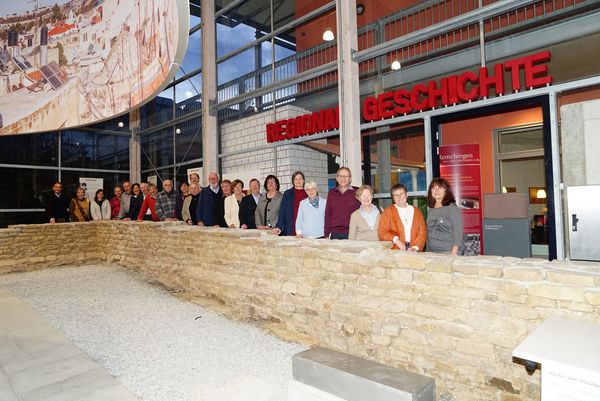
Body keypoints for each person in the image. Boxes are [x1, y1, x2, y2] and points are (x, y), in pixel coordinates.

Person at [378, 184, 427, 251]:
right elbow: (382, 232)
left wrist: (415, 247)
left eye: (401, 194)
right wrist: (396, 241)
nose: (399, 197)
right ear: (393, 198)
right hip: (394, 251)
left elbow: (422, 232)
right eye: (396, 195)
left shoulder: (417, 211)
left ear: (407, 195)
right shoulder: (387, 212)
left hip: (414, 252)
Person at [426, 177, 464, 255]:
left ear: (446, 191)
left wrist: (454, 252)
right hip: (432, 251)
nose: (436, 190)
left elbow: (458, 230)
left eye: (440, 188)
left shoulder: (452, 207)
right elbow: (429, 232)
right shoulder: (431, 209)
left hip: (448, 251)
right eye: (434, 188)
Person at [324, 167, 360, 239]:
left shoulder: (357, 192)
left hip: (353, 233)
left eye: (345, 176)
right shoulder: (331, 193)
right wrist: (326, 234)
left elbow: (362, 212)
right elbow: (328, 214)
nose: (343, 178)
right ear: (337, 178)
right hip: (334, 233)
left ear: (350, 179)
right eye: (340, 176)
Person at [275, 171, 307, 236]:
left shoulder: (308, 193)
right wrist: (279, 226)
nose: (298, 181)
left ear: (303, 180)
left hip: (305, 227)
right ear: (293, 181)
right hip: (291, 228)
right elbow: (282, 211)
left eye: (300, 179)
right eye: (296, 179)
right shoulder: (288, 193)